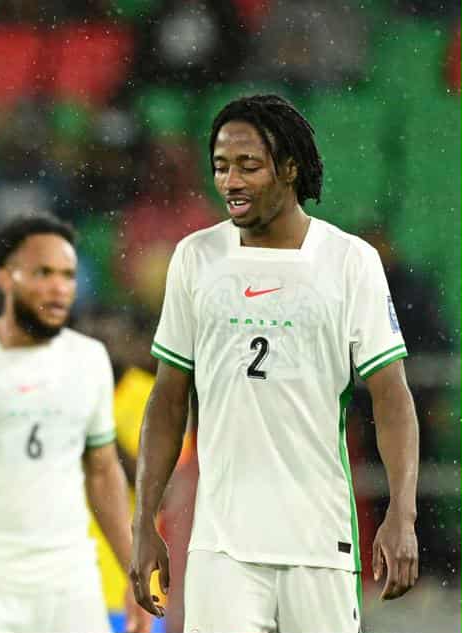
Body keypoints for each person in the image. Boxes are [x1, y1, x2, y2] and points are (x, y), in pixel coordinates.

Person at [129, 94, 420, 633]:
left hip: (319, 541)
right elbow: (168, 398)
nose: (230, 182)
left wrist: (402, 513)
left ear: (290, 169)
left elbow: (392, 394)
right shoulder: (195, 258)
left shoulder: (349, 261)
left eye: (248, 166)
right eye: (220, 167)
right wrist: (145, 521)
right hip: (222, 547)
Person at [0, 215, 151, 633]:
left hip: (71, 581)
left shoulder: (89, 359)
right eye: (43, 273)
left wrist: (133, 573)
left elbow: (102, 470)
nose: (59, 287)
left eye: (68, 275)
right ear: (5, 277)